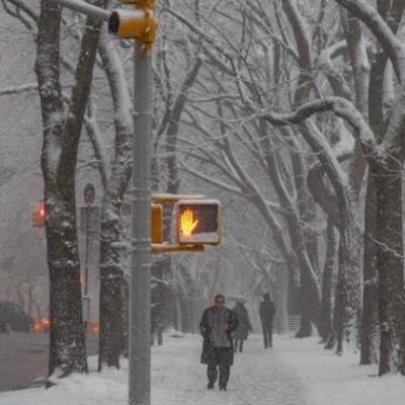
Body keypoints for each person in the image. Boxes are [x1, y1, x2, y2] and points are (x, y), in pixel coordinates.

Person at [199, 294, 238, 391]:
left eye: (222, 302)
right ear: (215, 302)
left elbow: (235, 323)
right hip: (211, 343)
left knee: (225, 366)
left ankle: (223, 384)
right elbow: (202, 325)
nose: (220, 304)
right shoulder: (207, 312)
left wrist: (227, 327)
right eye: (218, 302)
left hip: (225, 344)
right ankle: (211, 382)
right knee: (211, 365)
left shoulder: (229, 313)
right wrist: (207, 333)